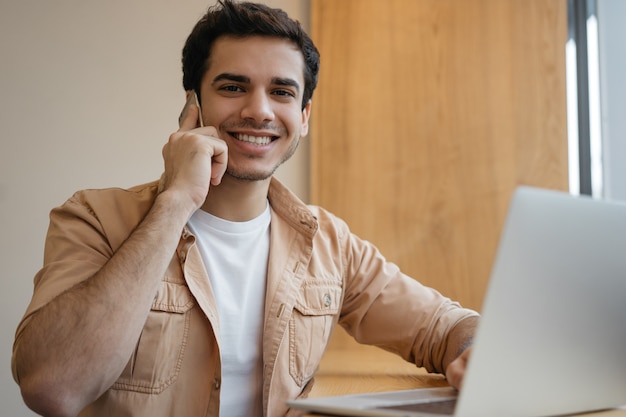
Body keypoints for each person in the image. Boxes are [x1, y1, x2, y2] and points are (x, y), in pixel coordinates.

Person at [11, 1, 479, 416]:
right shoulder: (94, 218)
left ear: (304, 117)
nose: (260, 111)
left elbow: (447, 327)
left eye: (282, 92)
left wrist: (475, 349)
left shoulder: (330, 244)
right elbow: (52, 388)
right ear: (192, 105)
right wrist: (176, 202)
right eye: (233, 87)